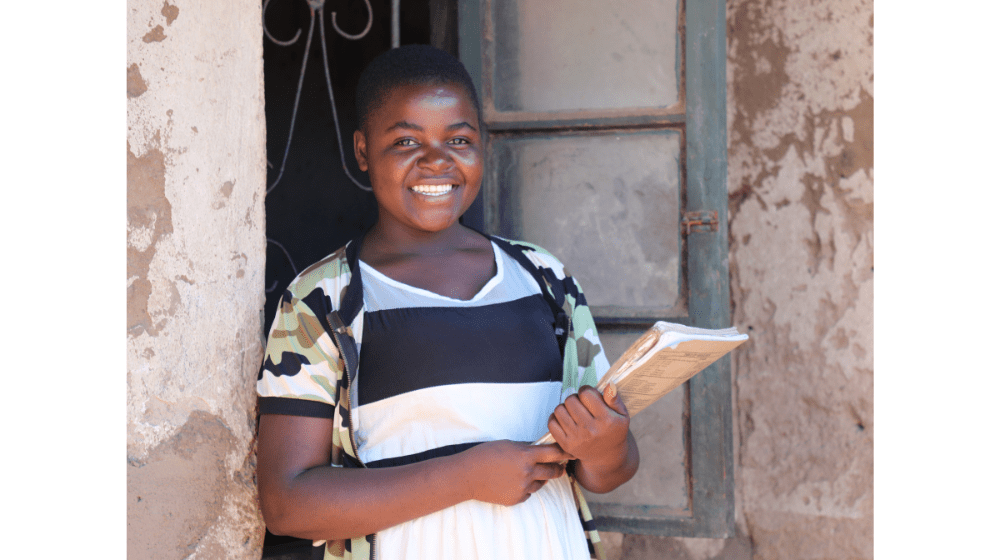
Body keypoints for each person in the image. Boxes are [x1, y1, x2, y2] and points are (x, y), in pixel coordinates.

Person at [256, 44, 639, 560]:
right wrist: (465, 477)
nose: (437, 160)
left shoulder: (543, 279)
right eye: (407, 140)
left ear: (481, 145)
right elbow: (287, 504)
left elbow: (607, 470)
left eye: (458, 139)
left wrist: (606, 445)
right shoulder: (324, 301)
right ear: (364, 150)